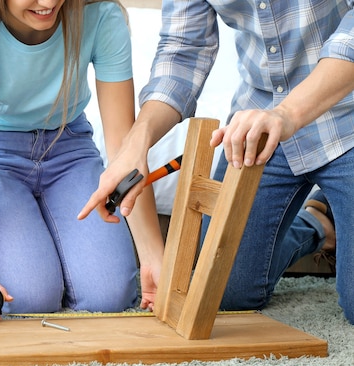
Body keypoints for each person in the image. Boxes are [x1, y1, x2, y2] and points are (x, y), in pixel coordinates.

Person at [78, 0, 354, 323]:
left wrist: (287, 113)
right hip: (258, 126)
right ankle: (321, 222)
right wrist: (136, 142)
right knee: (224, 293)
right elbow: (182, 53)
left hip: (344, 114)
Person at [0, 0, 165, 322]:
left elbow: (123, 147)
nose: (48, 3)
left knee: (111, 296)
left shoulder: (100, 16)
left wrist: (153, 255)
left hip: (69, 148)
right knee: (29, 299)